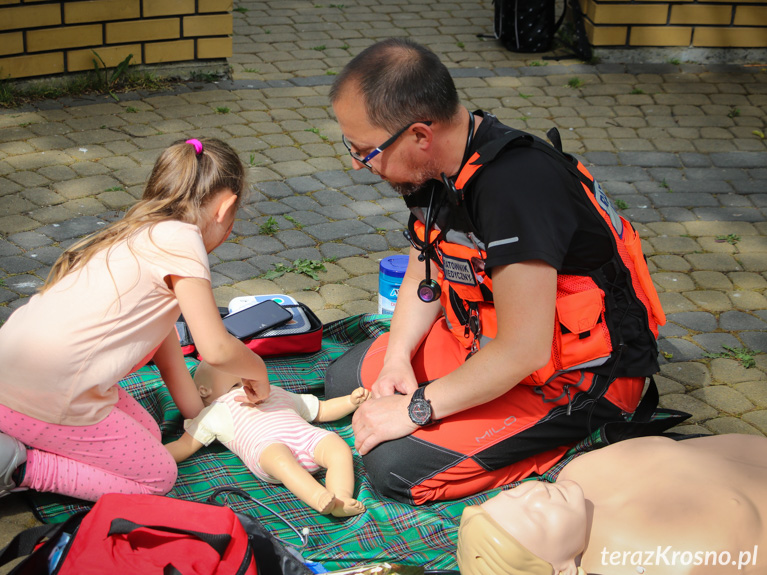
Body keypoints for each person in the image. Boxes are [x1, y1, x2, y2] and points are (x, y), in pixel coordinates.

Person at [325, 38, 667, 505]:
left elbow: (523, 349)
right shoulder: (435, 170)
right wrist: (397, 359)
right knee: (346, 380)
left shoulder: (516, 190)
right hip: (484, 346)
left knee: (395, 469)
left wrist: (418, 407)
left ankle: (578, 439)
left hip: (575, 379)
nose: (357, 163)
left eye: (365, 151)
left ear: (420, 136)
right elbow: (419, 281)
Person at [0, 138, 270, 521]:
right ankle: (17, 468)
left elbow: (168, 356)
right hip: (49, 393)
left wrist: (197, 414)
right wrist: (257, 372)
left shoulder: (141, 230)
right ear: (225, 207)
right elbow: (215, 348)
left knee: (149, 434)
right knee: (157, 477)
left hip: (3, 373)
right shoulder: (185, 243)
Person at [456, 433, 767, 575]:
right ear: (562, 571)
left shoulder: (578, 472)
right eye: (537, 517)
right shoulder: (649, 563)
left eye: (516, 494)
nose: (537, 493)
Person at [167, 361, 370, 517]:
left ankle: (341, 497)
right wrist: (152, 456)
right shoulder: (216, 410)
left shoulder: (274, 392)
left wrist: (350, 402)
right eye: (239, 380)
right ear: (205, 391)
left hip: (306, 437)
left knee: (338, 447)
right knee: (279, 459)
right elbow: (184, 445)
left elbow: (321, 410)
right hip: (267, 450)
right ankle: (318, 496)